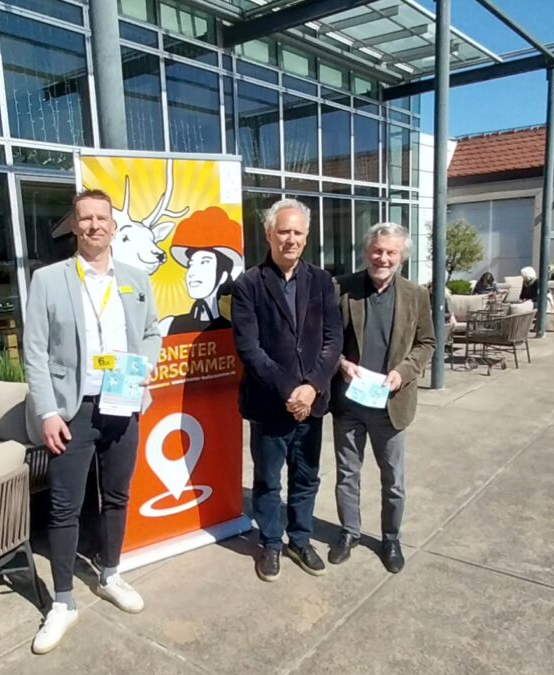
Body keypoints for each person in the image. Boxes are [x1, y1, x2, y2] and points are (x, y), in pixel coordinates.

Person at [23, 189, 161, 654]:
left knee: (117, 495)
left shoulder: (136, 278)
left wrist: (146, 367)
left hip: (122, 404)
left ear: (112, 226)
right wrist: (46, 412)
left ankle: (110, 574)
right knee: (64, 507)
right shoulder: (48, 280)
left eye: (102, 218)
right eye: (85, 219)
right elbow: (35, 352)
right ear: (74, 226)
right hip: (72, 410)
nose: (94, 226)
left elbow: (149, 331)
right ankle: (62, 601)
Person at [230, 198, 342, 582]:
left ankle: (300, 538)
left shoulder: (323, 281)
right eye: (283, 231)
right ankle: (272, 543)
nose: (290, 239)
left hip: (311, 404)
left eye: (297, 232)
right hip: (268, 404)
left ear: (306, 237)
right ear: (269, 234)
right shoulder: (248, 285)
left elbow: (332, 339)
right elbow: (250, 349)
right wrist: (289, 391)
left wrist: (311, 387)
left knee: (307, 476)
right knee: (267, 480)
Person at [329, 223, 435, 574]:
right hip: (350, 403)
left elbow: (427, 344)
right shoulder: (342, 289)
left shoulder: (415, 295)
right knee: (347, 474)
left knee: (393, 479)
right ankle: (349, 532)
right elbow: (326, 340)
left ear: (401, 256)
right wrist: (341, 363)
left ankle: (390, 538)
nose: (383, 258)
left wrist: (403, 372)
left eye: (391, 252)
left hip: (392, 405)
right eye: (377, 250)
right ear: (366, 251)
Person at [162, 207, 244, 335]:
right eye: (191, 264)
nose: (192, 273)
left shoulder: (239, 323)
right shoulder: (169, 325)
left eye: (204, 262)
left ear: (223, 275)